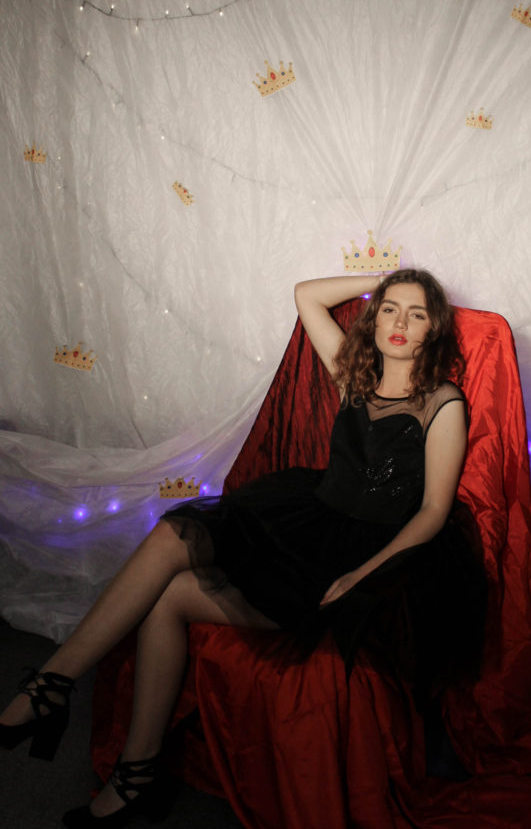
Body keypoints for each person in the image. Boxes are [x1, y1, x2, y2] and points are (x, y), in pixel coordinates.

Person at [0, 269, 488, 827]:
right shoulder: (354, 377)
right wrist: (385, 278)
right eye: (389, 309)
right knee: (173, 544)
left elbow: (432, 513)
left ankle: (78, 724)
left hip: (368, 558)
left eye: (416, 314)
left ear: (432, 330)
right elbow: (307, 295)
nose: (400, 322)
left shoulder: (441, 402)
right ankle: (82, 715)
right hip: (307, 523)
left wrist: (361, 576)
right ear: (372, 319)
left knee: (173, 588)